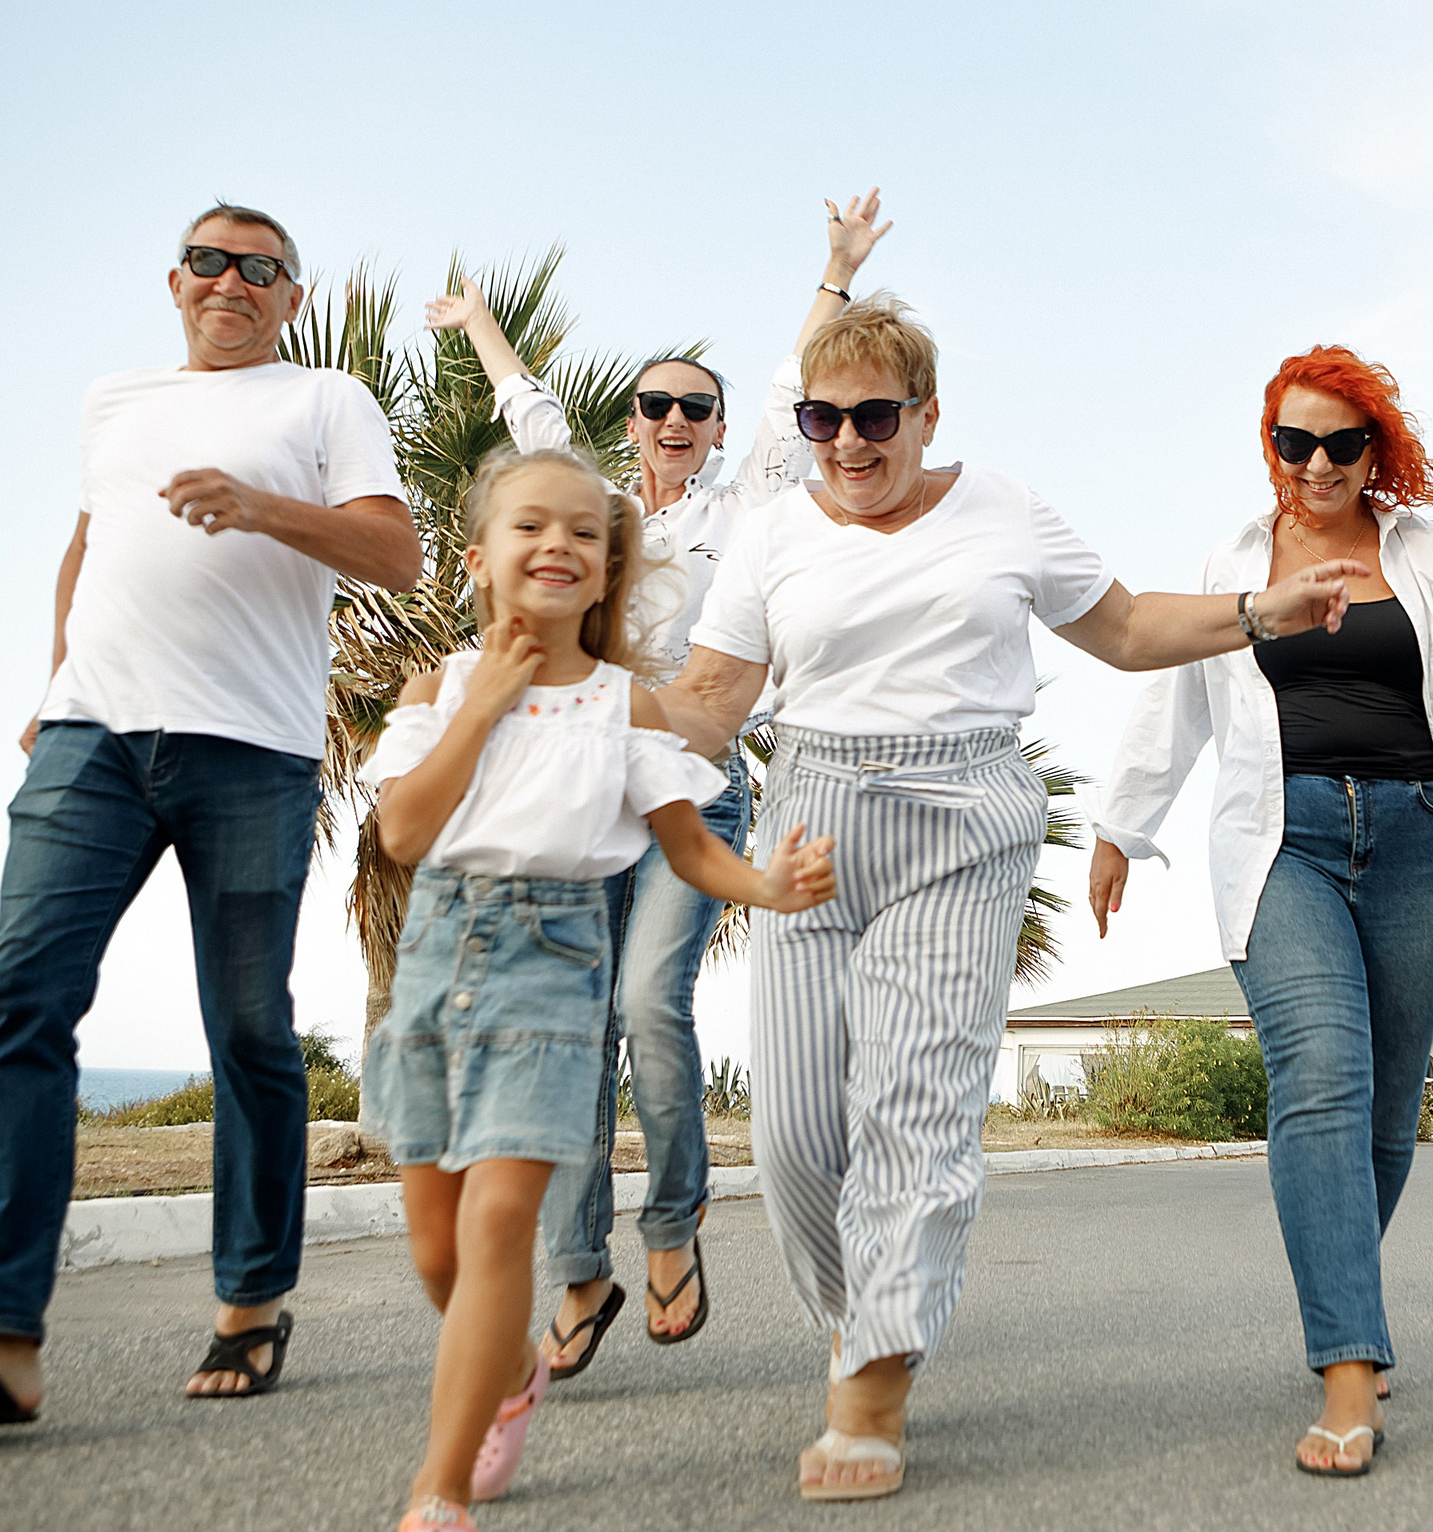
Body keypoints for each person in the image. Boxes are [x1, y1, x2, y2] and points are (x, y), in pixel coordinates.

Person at [653, 296, 1372, 1501]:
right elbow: (712, 699)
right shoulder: (775, 531)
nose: (846, 441)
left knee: (914, 1108)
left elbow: (1131, 626)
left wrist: (1258, 612)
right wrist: (564, 690)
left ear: (926, 413)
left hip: (962, 812)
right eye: (822, 417)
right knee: (790, 1140)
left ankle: (874, 1378)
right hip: (812, 819)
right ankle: (863, 1314)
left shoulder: (1003, 508)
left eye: (874, 414)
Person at [0, 206, 422, 1427]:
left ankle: (252, 1298)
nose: (232, 281)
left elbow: (396, 551)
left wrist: (264, 507)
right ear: (175, 280)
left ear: (290, 296)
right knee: (22, 998)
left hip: (251, 751)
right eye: (210, 260)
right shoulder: (115, 397)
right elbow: (88, 543)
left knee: (250, 1033)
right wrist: (53, 676)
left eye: (260, 268)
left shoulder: (325, 400)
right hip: (91, 736)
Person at [1089, 347, 1433, 1478]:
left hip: (1422, 835)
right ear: (1266, 442)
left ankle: (1340, 1293)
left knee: (1380, 1114)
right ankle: (1348, 1367)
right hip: (1284, 840)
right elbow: (1171, 686)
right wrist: (1122, 825)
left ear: (1376, 448)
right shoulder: (1235, 557)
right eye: (1292, 441)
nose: (1315, 464)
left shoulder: (1425, 549)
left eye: (1340, 442)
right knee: (1318, 1075)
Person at [423, 190, 891, 1376]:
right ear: (630, 423)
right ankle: (579, 1275)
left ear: (721, 426)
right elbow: (528, 411)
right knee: (575, 1032)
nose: (675, 418)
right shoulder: (599, 506)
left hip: (696, 783)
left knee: (644, 1004)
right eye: (656, 403)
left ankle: (674, 1223)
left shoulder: (753, 501)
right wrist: (480, 325)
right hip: (581, 790)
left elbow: (796, 382)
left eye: (697, 405)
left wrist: (833, 269)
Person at [364, 447, 836, 1531]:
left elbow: (688, 844)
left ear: (608, 564)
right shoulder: (438, 686)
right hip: (437, 965)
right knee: (436, 1247)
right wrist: (483, 701)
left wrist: (768, 882)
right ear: (479, 558)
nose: (559, 545)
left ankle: (436, 1491)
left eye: (584, 531)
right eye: (532, 525)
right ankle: (511, 1369)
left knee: (494, 1228)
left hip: (553, 964)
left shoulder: (629, 705)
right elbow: (403, 829)